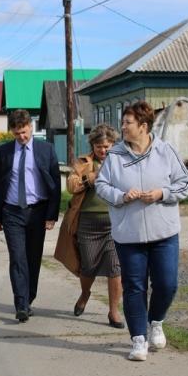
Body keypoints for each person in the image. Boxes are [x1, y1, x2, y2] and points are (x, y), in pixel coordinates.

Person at [95, 101, 188, 361]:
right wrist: (121, 196)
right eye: (123, 122)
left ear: (143, 126)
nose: (122, 127)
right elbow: (101, 186)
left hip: (164, 233)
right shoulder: (114, 155)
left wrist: (162, 193)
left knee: (167, 284)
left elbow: (184, 184)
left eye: (127, 123)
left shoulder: (166, 151)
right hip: (129, 234)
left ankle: (156, 321)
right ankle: (138, 339)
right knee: (134, 287)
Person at [0, 109, 60, 323]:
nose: (22, 137)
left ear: (31, 127)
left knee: (33, 258)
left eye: (25, 132)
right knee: (18, 258)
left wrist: (51, 215)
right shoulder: (3, 153)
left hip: (37, 211)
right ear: (11, 131)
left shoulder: (46, 150)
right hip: (11, 211)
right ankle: (21, 303)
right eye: (17, 133)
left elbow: (54, 185)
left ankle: (29, 298)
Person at [55, 124, 124, 328]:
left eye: (107, 146)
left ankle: (113, 311)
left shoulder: (120, 162)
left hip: (114, 224)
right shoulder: (83, 162)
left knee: (115, 267)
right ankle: (85, 294)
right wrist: (92, 177)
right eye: (99, 146)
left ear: (113, 145)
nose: (103, 150)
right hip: (87, 223)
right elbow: (71, 185)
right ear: (93, 145)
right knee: (88, 267)